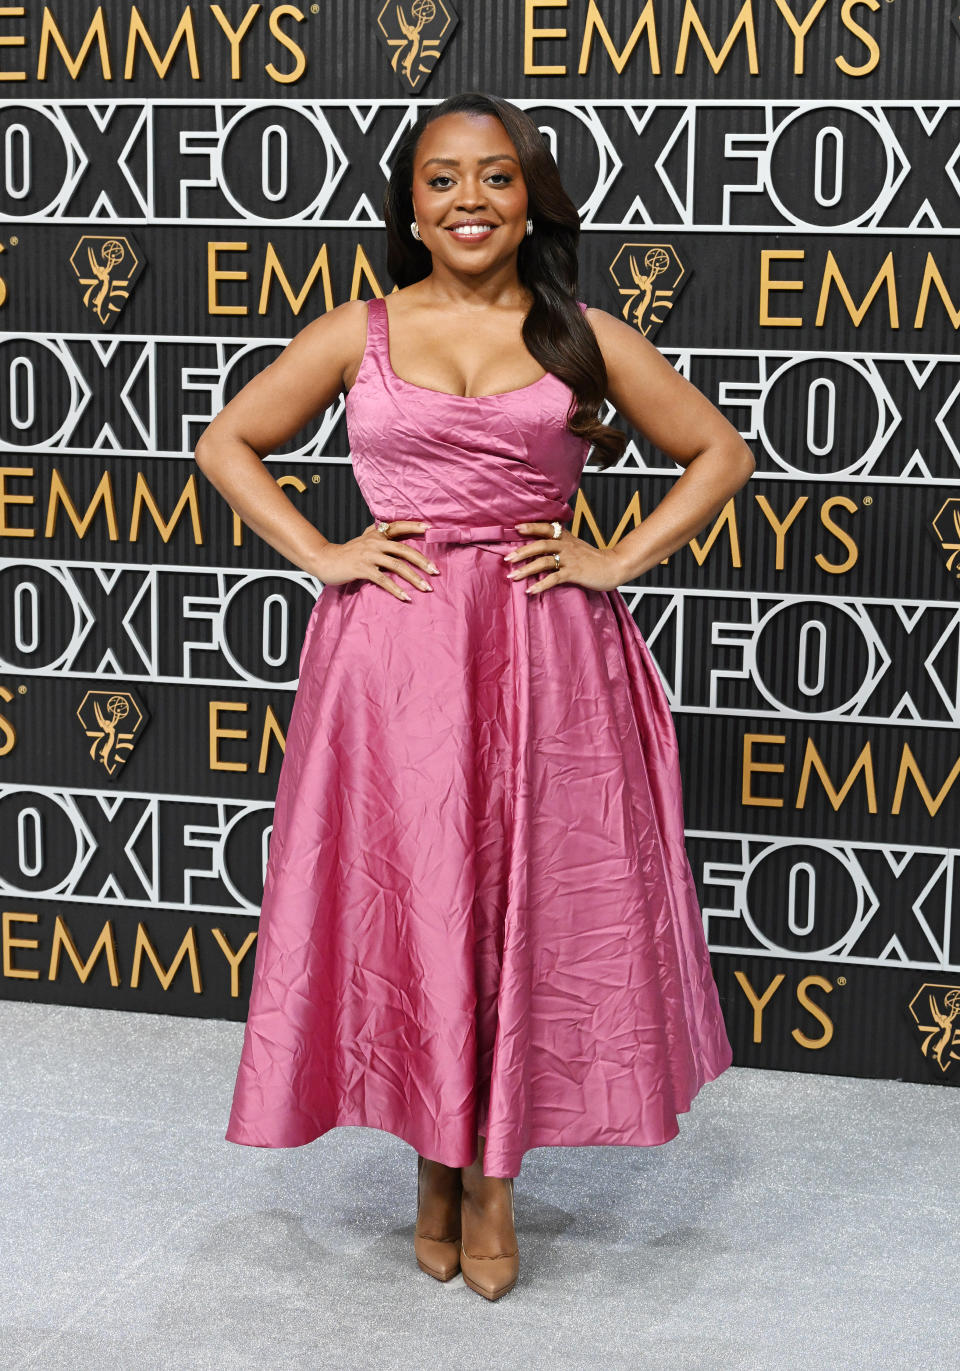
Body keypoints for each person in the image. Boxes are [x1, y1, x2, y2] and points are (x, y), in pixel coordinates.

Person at [194, 91, 755, 1303]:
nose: (468, 201)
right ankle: (433, 1165)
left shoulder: (580, 334)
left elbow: (718, 451)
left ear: (529, 198)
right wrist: (326, 551)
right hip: (393, 661)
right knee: (418, 907)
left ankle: (489, 1178)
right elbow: (229, 442)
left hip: (547, 655)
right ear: (411, 201)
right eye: (443, 178)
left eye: (495, 178)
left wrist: (611, 558)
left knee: (529, 908)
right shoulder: (360, 331)